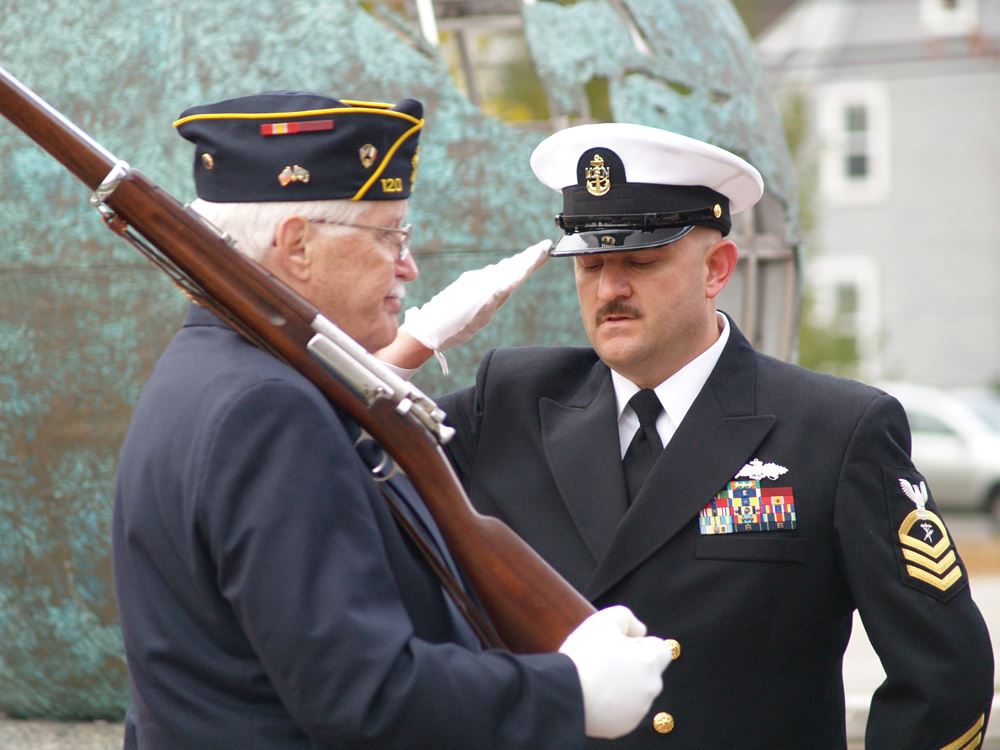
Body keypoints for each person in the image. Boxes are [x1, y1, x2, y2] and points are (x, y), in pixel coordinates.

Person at [385, 123, 995, 748]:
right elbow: (329, 473)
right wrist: (405, 352)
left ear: (716, 269)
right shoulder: (511, 403)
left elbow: (945, 677)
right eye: (591, 263)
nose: (609, 289)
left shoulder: (832, 431)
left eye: (641, 262)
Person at [111, 92, 676, 749]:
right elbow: (362, 694)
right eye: (389, 235)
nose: (408, 264)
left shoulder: (215, 376)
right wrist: (565, 690)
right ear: (298, 246)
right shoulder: (270, 411)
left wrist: (398, 359)